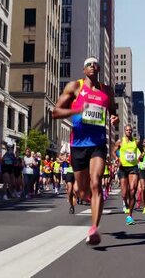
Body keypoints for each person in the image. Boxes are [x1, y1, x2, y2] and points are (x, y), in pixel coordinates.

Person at [52, 57, 118, 245]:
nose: (93, 66)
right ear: (83, 69)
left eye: (95, 64)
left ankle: (94, 229)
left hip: (98, 143)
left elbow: (113, 112)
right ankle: (88, 196)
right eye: (89, 64)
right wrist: (77, 110)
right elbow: (55, 112)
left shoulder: (107, 91)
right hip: (78, 144)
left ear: (99, 69)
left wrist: (115, 119)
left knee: (96, 182)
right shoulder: (75, 87)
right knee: (81, 192)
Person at [113, 125, 141, 225]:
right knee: (124, 193)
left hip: (133, 167)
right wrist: (118, 159)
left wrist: (139, 158)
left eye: (130, 130)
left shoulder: (136, 142)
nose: (129, 131)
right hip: (123, 168)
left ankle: (130, 216)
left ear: (132, 131)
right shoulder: (120, 141)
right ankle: (125, 203)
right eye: (127, 130)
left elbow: (141, 152)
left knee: (133, 190)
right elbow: (114, 151)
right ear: (125, 131)